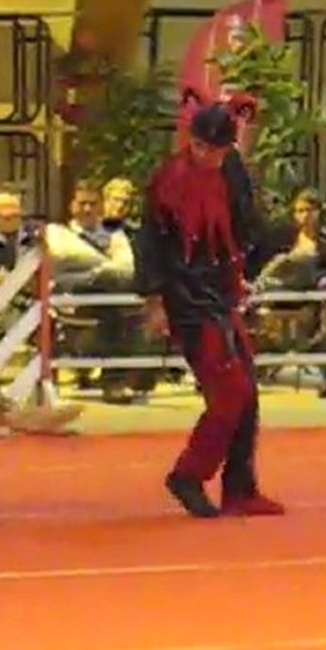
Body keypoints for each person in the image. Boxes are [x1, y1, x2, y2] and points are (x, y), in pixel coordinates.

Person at [135, 97, 284, 518]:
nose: (208, 156)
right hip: (186, 297)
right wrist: (154, 301)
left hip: (221, 290)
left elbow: (244, 225)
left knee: (248, 393)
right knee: (229, 392)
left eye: (216, 150)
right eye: (201, 147)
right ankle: (189, 473)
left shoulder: (232, 169)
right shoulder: (168, 181)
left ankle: (240, 487)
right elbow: (150, 243)